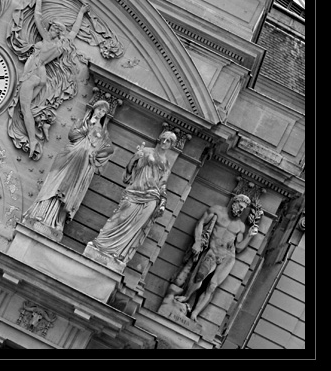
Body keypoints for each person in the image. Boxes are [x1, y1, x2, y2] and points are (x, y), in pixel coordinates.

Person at [13, 0, 90, 158]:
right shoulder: (63, 44)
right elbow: (75, 31)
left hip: (33, 72)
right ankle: (42, 122)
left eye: (54, 28)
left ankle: (32, 138)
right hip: (42, 75)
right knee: (28, 106)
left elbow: (37, 18)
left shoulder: (47, 40)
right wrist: (81, 13)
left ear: (55, 31)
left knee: (24, 108)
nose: (51, 29)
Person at [87, 130, 177, 265]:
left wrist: (163, 203)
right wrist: (135, 158)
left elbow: (162, 183)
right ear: (159, 139)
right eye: (163, 139)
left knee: (134, 227)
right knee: (119, 218)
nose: (164, 142)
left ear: (171, 145)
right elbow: (129, 171)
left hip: (152, 197)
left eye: (168, 141)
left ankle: (118, 253)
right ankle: (100, 244)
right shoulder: (146, 151)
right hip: (135, 191)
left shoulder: (166, 164)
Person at [23, 100, 114, 232]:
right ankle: (41, 213)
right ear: (94, 109)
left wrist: (95, 154)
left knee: (69, 192)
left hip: (83, 166)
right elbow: (72, 135)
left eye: (104, 112)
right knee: (55, 186)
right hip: (69, 157)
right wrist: (88, 126)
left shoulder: (103, 133)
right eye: (100, 109)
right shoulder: (82, 122)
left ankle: (56, 221)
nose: (101, 113)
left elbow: (109, 149)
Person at [174, 193, 259, 321]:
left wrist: (250, 235)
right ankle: (186, 296)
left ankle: (195, 313)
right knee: (199, 277)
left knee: (212, 286)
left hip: (228, 257)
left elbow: (239, 247)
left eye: (243, 209)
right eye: (239, 206)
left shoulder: (240, 226)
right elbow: (200, 223)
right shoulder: (217, 211)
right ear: (234, 202)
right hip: (212, 252)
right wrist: (197, 241)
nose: (241, 210)